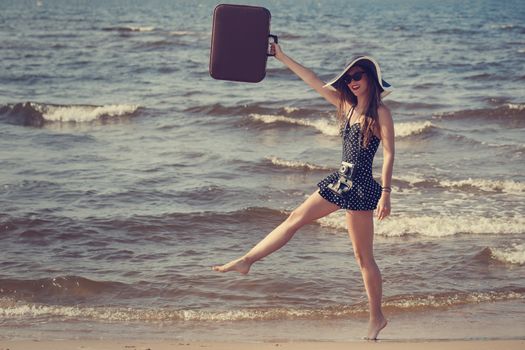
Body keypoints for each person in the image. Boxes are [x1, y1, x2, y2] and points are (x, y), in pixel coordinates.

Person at [212, 43, 395, 341]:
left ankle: (377, 317)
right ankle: (247, 260)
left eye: (358, 75)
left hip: (361, 188)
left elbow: (389, 154)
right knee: (295, 218)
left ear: (371, 77)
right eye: (348, 77)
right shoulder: (345, 106)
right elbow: (311, 78)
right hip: (341, 180)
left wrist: (386, 193)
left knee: (363, 258)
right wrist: (281, 56)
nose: (352, 81)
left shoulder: (381, 113)